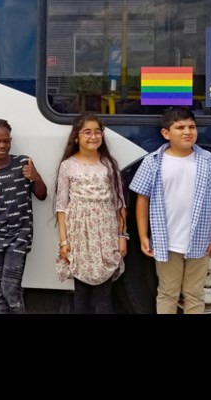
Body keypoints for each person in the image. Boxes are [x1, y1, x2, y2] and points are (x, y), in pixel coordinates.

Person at [129, 106, 211, 314]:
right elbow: (142, 199)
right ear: (166, 133)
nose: (187, 131)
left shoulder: (209, 161)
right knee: (168, 292)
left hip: (200, 241)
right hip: (166, 242)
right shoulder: (153, 162)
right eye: (180, 127)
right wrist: (143, 235)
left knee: (194, 293)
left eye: (192, 127)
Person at [54, 113, 127, 314]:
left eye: (97, 132)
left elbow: (119, 203)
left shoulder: (109, 165)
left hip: (105, 233)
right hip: (79, 234)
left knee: (104, 293)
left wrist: (122, 236)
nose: (93, 136)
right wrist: (64, 242)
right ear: (76, 137)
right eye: (87, 132)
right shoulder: (68, 165)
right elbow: (61, 207)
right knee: (81, 291)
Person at [0, 118, 48, 314]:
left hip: (19, 236)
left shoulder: (23, 163)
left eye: (6, 141)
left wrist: (36, 178)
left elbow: (42, 195)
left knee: (10, 288)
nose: (2, 145)